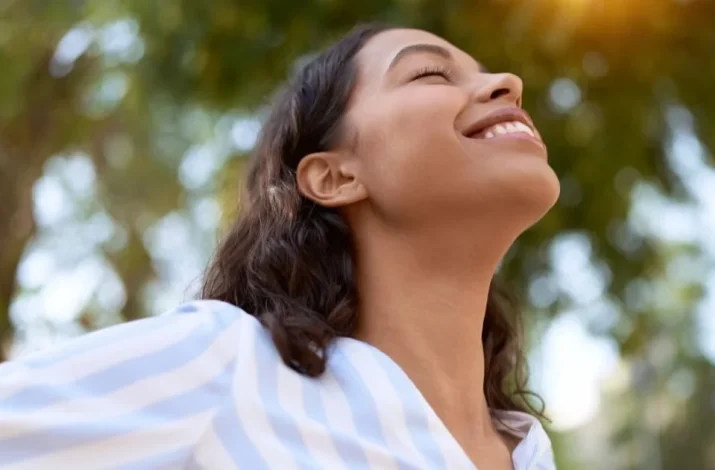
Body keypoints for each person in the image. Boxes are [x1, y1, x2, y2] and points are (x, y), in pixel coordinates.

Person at [0, 23, 559, 469]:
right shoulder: (228, 366)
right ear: (334, 178)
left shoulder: (530, 452)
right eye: (430, 74)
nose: (507, 81)